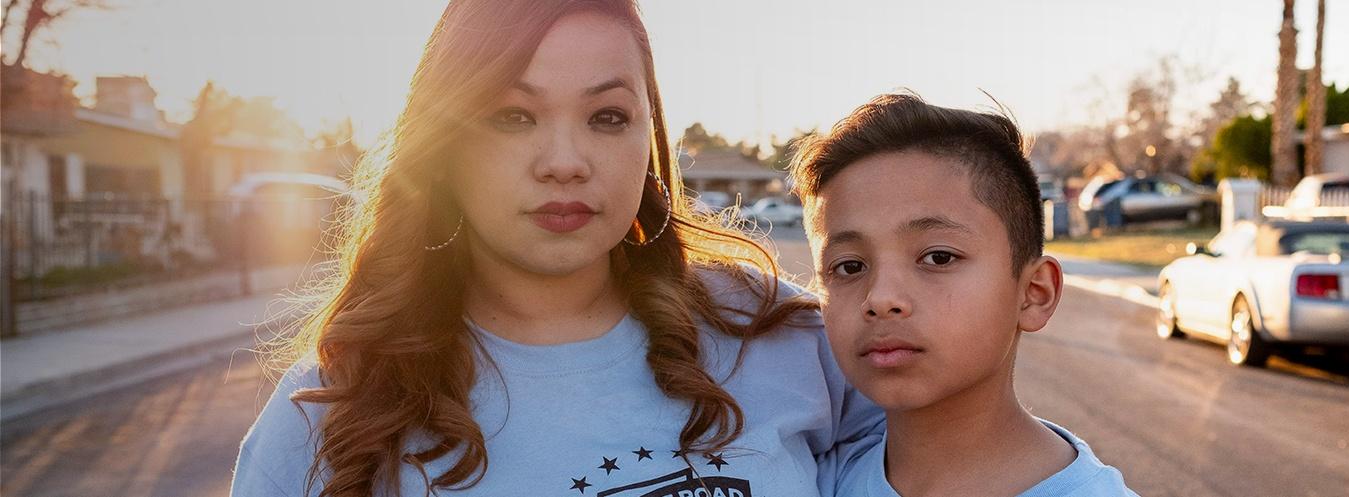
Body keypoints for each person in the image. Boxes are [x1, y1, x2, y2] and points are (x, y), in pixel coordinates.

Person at [230, 1, 881, 496]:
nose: (565, 162)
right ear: (442, 148)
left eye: (607, 117)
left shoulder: (788, 335)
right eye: (513, 116)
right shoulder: (323, 417)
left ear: (648, 140)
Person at [793, 93, 1137, 497]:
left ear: (1034, 294)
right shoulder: (812, 477)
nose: (881, 298)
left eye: (938, 257)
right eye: (850, 267)